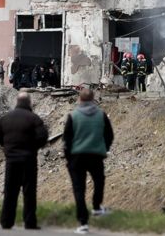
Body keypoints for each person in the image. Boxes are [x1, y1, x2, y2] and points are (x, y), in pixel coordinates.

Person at [0, 92, 48, 230]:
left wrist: (7, 146)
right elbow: (43, 137)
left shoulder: (5, 119)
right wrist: (33, 147)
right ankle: (29, 222)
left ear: (17, 102)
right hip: (29, 160)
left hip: (11, 160)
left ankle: (6, 221)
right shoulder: (34, 119)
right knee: (29, 191)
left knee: (10, 191)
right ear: (29, 103)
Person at [64, 89, 114, 235]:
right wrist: (104, 148)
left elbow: (67, 139)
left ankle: (83, 223)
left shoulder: (73, 116)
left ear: (80, 99)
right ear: (93, 99)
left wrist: (69, 158)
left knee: (79, 189)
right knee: (99, 181)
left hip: (77, 156)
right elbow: (109, 135)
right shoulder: (101, 115)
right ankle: (96, 206)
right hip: (96, 155)